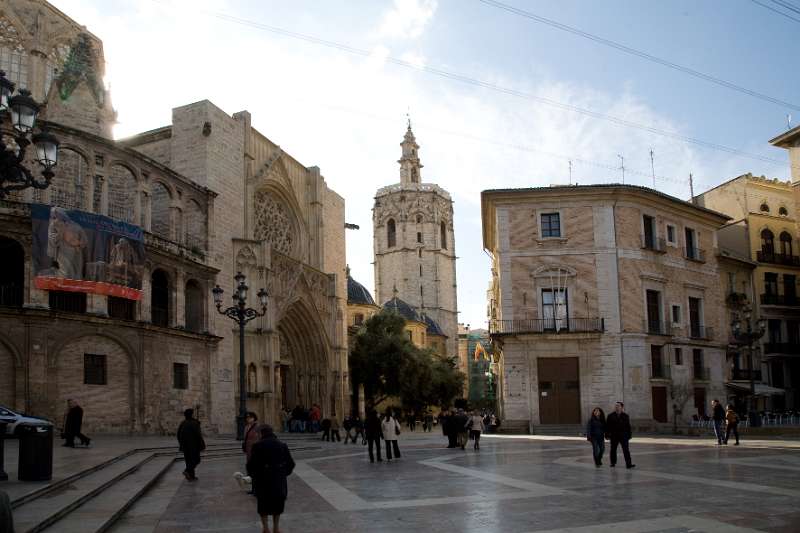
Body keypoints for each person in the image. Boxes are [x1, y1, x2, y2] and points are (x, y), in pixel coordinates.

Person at [247, 425, 295, 533]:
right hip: (278, 480)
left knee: (263, 505)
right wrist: (282, 473)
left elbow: (250, 465)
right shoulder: (282, 445)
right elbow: (291, 464)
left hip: (262, 480)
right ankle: (276, 528)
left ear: (261, 434)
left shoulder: (257, 446)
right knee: (277, 505)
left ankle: (265, 528)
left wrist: (254, 476)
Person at [177, 408, 205, 481]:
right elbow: (198, 435)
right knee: (196, 460)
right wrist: (202, 444)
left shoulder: (183, 423)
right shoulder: (194, 423)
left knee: (188, 460)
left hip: (185, 446)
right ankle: (187, 471)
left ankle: (191, 476)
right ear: (191, 414)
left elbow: (178, 434)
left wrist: (181, 443)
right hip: (193, 446)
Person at [605, 402, 634, 469]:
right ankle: (613, 463)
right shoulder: (610, 416)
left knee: (626, 450)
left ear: (622, 407)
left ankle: (628, 464)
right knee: (613, 450)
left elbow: (628, 426)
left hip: (623, 436)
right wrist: (607, 435)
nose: (616, 407)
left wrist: (629, 435)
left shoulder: (625, 416)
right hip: (614, 436)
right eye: (615, 406)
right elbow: (607, 426)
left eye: (618, 406)